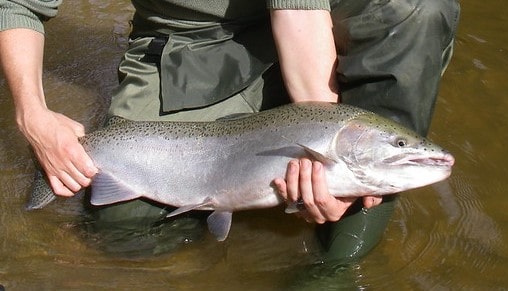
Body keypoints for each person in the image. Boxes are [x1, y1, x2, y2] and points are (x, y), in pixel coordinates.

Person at [0, 0, 459, 260]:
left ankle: (340, 257)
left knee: (416, 7)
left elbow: (298, 11)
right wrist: (34, 115)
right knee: (124, 233)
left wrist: (328, 162)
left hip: (314, 15)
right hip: (189, 42)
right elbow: (16, 4)